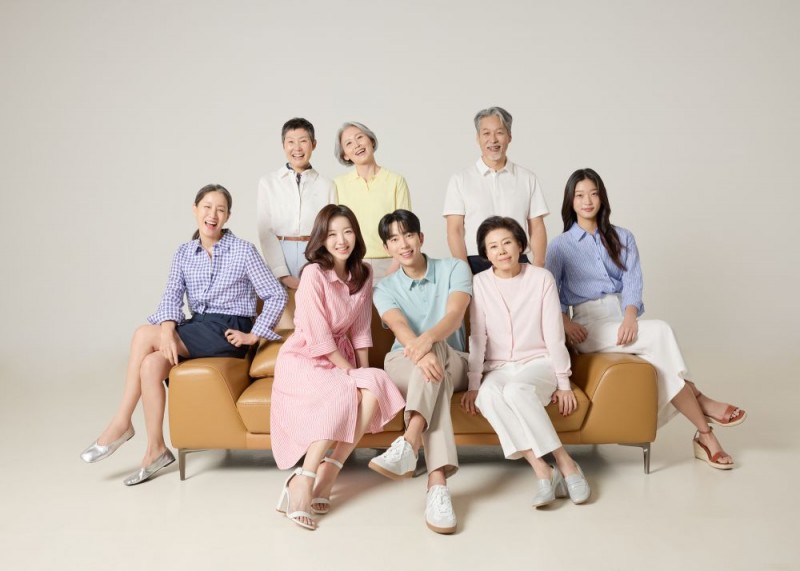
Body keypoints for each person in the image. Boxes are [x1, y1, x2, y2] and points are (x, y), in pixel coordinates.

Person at [80, 184, 287, 484]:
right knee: (151, 365)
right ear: (195, 210)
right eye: (207, 207)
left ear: (228, 216)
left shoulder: (243, 251)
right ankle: (156, 449)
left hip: (229, 329)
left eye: (220, 209)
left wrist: (255, 334)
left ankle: (121, 422)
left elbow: (276, 294)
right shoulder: (184, 253)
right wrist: (167, 330)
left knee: (142, 335)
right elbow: (171, 297)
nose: (212, 214)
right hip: (197, 326)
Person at [546, 168, 746, 470]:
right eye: (580, 195)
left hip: (621, 319)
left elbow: (632, 282)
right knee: (662, 330)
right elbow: (549, 294)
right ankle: (703, 403)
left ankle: (706, 436)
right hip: (588, 327)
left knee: (662, 365)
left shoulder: (623, 237)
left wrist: (630, 317)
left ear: (602, 198)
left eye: (594, 193)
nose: (587, 201)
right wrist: (566, 322)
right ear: (570, 201)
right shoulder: (559, 246)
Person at [270, 204, 405, 531]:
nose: (341, 240)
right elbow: (317, 335)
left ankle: (329, 473)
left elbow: (360, 330)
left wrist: (363, 373)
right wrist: (350, 374)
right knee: (343, 391)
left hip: (338, 357)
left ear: (356, 235)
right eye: (332, 234)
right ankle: (304, 479)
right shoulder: (313, 274)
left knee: (374, 385)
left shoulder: (364, 274)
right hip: (304, 357)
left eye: (347, 232)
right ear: (322, 239)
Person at [462, 216, 590, 507]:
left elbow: (554, 334)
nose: (502, 251)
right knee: (487, 396)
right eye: (493, 246)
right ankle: (543, 471)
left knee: (517, 390)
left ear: (520, 244)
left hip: (538, 363)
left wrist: (563, 383)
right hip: (499, 367)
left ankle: (566, 463)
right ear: (485, 254)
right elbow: (478, 336)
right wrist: (473, 383)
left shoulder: (541, 278)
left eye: (507, 242)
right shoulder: (480, 283)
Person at [371, 209, 472, 535]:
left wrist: (429, 341)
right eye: (394, 239)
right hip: (403, 362)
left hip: (455, 359)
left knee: (437, 351)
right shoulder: (384, 288)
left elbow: (455, 315)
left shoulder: (454, 268)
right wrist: (422, 348)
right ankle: (437, 485)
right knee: (431, 366)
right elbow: (399, 327)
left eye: (408, 235)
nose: (403, 244)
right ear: (387, 247)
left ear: (421, 237)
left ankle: (409, 442)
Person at [443, 106, 549, 274]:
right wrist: (464, 271)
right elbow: (454, 230)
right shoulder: (460, 180)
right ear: (478, 138)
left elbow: (536, 226)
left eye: (499, 133)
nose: (493, 139)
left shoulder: (527, 178)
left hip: (518, 260)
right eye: (486, 133)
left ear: (509, 137)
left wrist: (538, 265)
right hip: (475, 262)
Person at [257, 117, 336, 289]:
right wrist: (282, 274)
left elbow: (331, 231)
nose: (297, 148)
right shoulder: (268, 182)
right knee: (282, 305)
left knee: (315, 304)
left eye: (303, 141)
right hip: (278, 257)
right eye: (291, 142)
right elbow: (265, 232)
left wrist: (319, 266)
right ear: (283, 145)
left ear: (313, 144)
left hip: (316, 258)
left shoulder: (327, 185)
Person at [334, 121, 411, 281]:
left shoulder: (396, 181)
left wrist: (395, 264)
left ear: (371, 141)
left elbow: (404, 227)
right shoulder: (337, 185)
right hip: (352, 264)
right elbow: (334, 231)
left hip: (390, 262)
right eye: (348, 143)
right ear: (345, 155)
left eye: (360, 137)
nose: (356, 145)